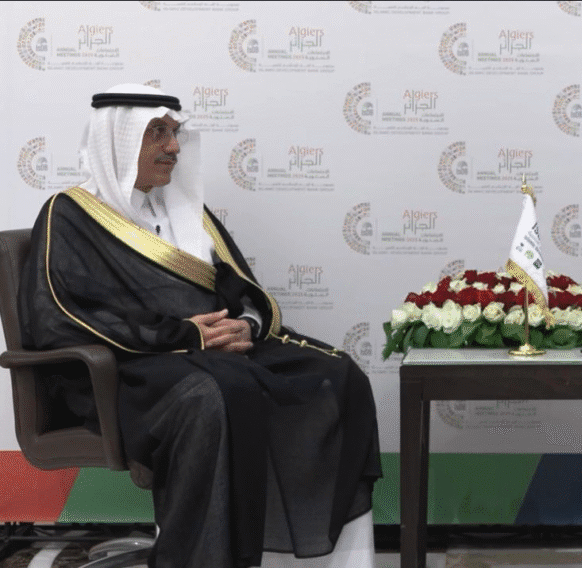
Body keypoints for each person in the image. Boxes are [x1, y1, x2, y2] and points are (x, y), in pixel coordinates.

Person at [18, 84, 382, 568]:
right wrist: (186, 335)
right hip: (123, 371)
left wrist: (247, 325)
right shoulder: (69, 213)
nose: (173, 146)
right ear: (118, 139)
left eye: (175, 132)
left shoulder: (185, 210)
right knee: (215, 394)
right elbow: (63, 315)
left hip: (209, 355)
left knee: (337, 374)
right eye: (157, 132)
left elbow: (237, 286)